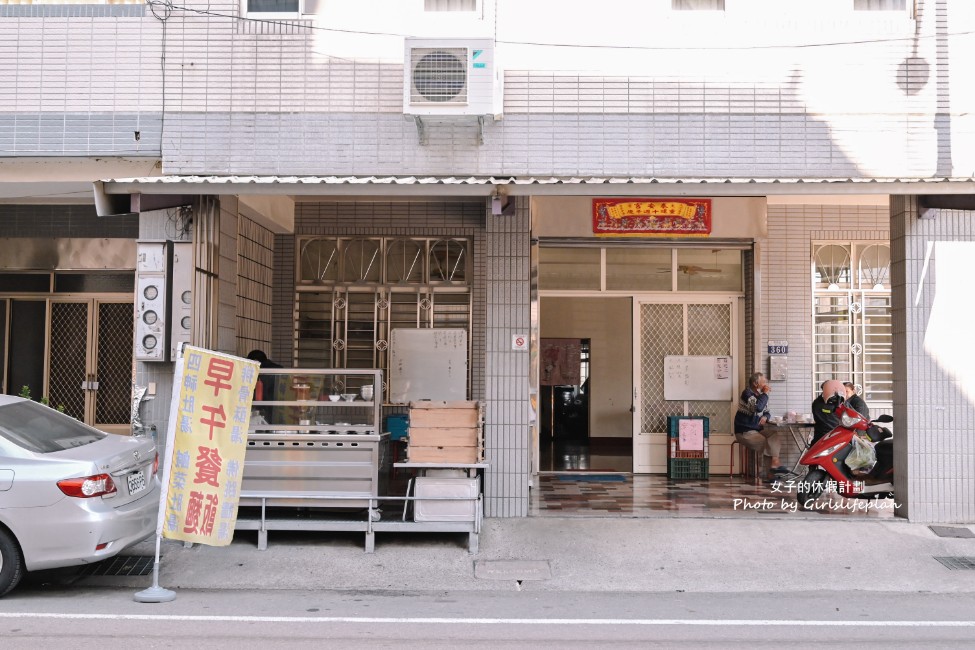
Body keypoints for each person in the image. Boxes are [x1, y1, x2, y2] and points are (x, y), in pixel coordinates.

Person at [733, 371, 785, 480]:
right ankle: (771, 474)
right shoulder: (747, 394)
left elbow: (766, 411)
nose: (766, 385)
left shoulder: (760, 396)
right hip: (745, 431)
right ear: (756, 384)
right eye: (763, 382)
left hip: (757, 430)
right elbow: (757, 408)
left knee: (773, 435)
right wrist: (765, 394)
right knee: (767, 443)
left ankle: (775, 462)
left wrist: (766, 417)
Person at [246, 349, 281, 423]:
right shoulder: (279, 369)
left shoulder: (259, 371)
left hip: (265, 408)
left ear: (255, 361)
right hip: (279, 406)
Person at [811, 379, 845, 445]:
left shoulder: (838, 401)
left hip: (837, 435)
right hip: (823, 437)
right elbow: (829, 420)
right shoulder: (819, 403)